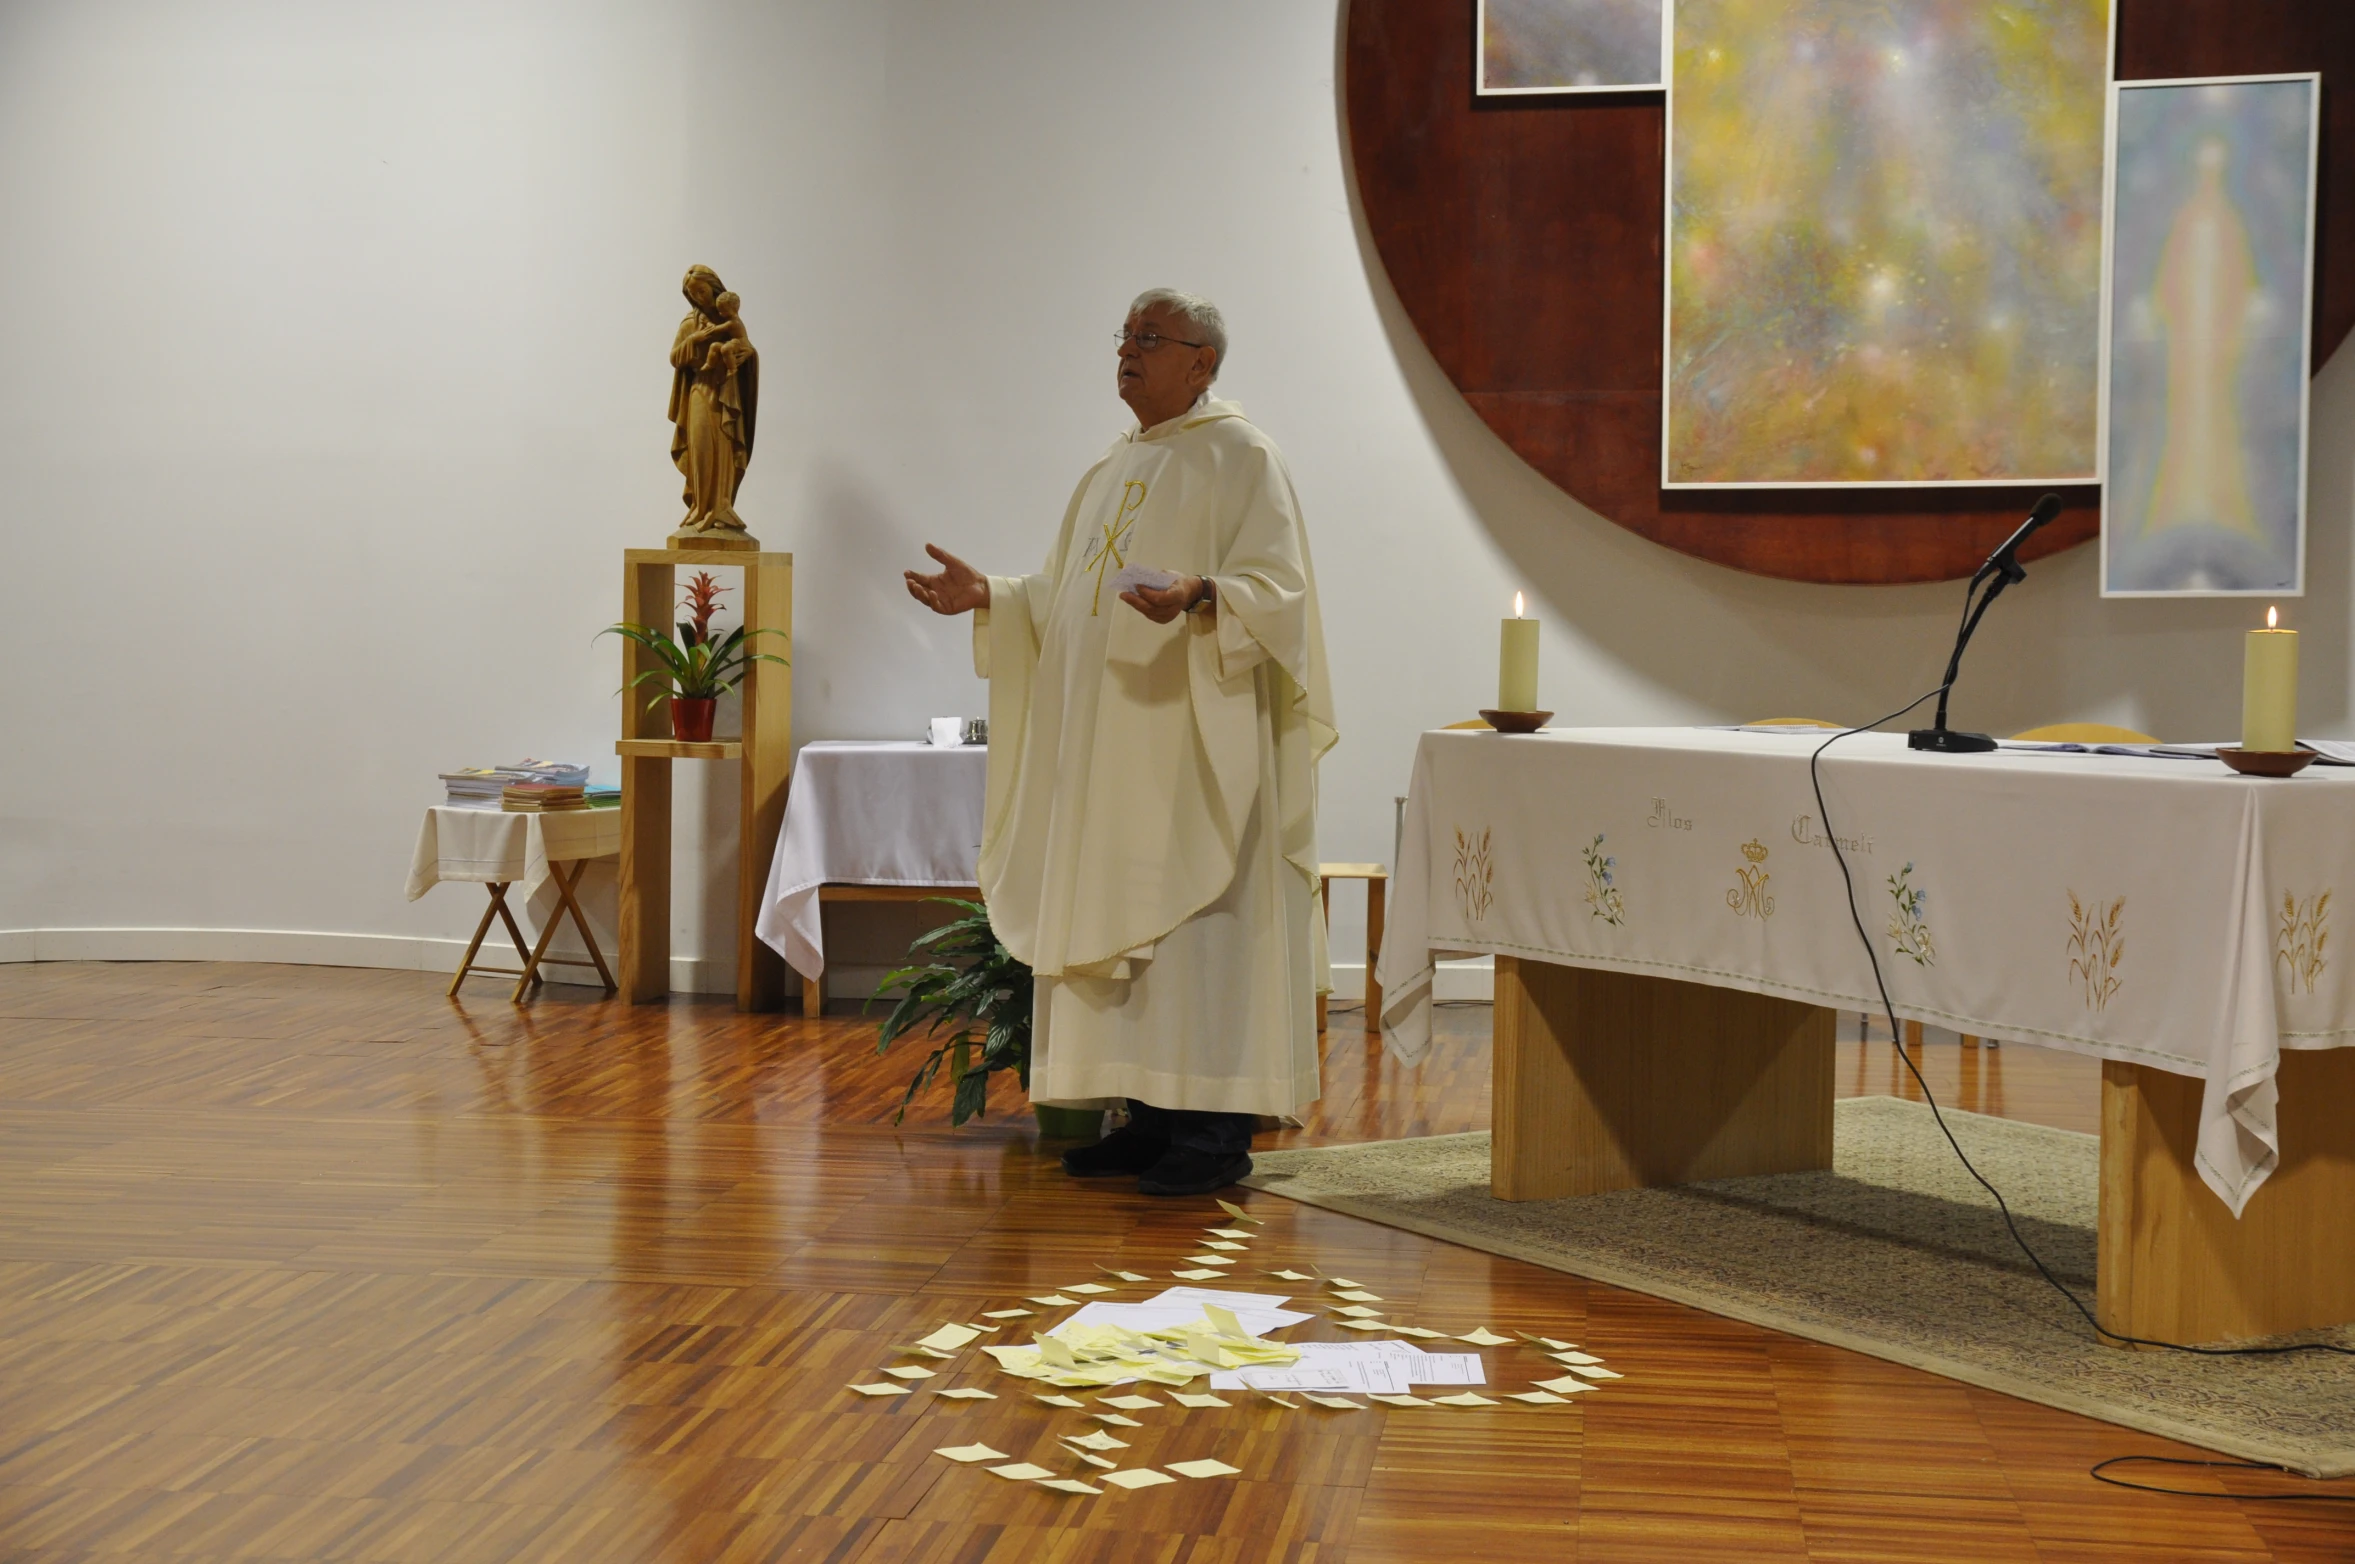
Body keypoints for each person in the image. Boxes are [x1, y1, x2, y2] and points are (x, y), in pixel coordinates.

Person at [904, 289, 1334, 1195]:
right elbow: (1069, 593)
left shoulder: (1240, 457)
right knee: (1122, 928)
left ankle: (1211, 1131)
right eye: (1126, 336)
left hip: (1190, 748)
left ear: (1202, 362)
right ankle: (1142, 1119)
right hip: (1109, 757)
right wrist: (995, 595)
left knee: (1196, 931)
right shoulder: (1112, 468)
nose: (1129, 352)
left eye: (1151, 338)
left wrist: (1203, 592)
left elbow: (1283, 591)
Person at [667, 267, 759, 537]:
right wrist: (696, 339)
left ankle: (721, 507)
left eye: (702, 291)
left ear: (714, 288)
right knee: (701, 448)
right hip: (700, 389)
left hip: (727, 393)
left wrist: (746, 355)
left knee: (725, 449)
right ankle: (700, 508)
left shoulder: (730, 319)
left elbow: (747, 350)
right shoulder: (689, 323)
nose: (698, 297)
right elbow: (674, 357)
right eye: (693, 294)